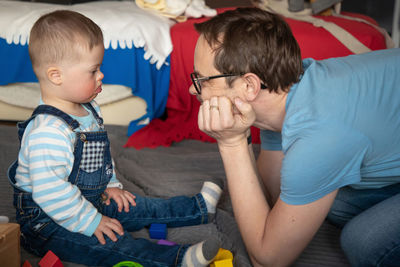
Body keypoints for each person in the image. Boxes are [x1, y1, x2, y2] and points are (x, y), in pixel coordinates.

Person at [7, 10, 223, 267]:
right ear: (56, 76)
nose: (102, 76)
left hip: (90, 198)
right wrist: (92, 221)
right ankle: (177, 258)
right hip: (47, 220)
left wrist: (110, 184)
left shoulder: (88, 108)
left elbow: (98, 157)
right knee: (107, 244)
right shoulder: (47, 131)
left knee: (139, 207)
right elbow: (52, 193)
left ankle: (196, 208)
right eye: (93, 70)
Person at [189, 7, 400, 267]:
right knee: (331, 204)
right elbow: (272, 198)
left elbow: (267, 259)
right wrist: (241, 135)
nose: (192, 89)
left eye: (202, 80)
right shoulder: (289, 89)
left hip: (333, 136)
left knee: (363, 241)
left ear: (249, 86)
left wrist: (231, 144)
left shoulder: (318, 137)